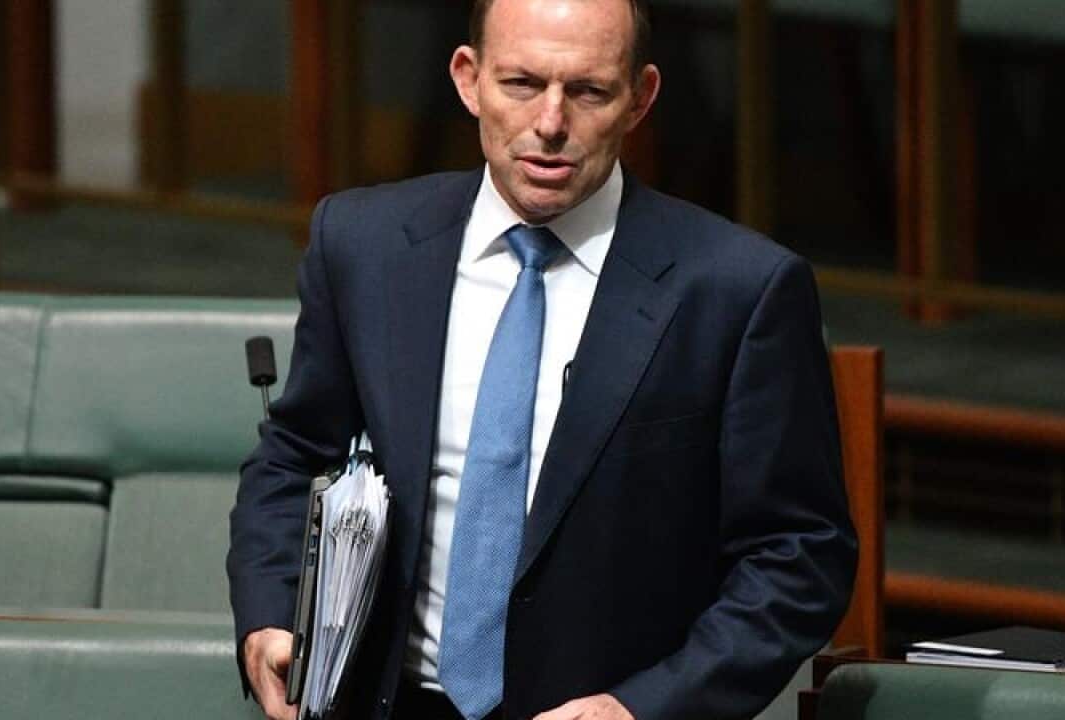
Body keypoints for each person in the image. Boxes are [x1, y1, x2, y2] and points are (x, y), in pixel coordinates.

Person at [227, 1, 857, 719]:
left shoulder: (738, 291)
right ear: (469, 80)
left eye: (588, 91)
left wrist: (641, 708)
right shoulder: (363, 244)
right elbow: (295, 454)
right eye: (522, 83)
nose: (551, 123)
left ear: (640, 98)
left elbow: (799, 555)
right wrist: (270, 618)